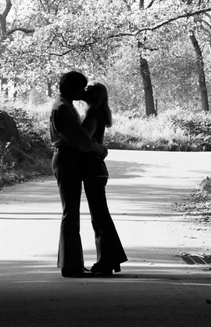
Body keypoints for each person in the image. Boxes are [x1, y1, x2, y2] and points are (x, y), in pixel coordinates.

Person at [49, 71, 108, 278]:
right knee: (71, 213)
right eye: (81, 88)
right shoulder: (63, 108)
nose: (83, 92)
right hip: (67, 158)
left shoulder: (64, 105)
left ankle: (72, 262)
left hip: (66, 158)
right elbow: (81, 140)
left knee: (71, 212)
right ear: (73, 88)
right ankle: (71, 264)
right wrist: (100, 149)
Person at [81, 82, 128, 276]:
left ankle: (106, 261)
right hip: (97, 169)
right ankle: (108, 260)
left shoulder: (93, 116)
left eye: (87, 91)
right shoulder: (98, 114)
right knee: (100, 217)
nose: (83, 92)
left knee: (99, 219)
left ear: (94, 97)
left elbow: (83, 140)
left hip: (93, 169)